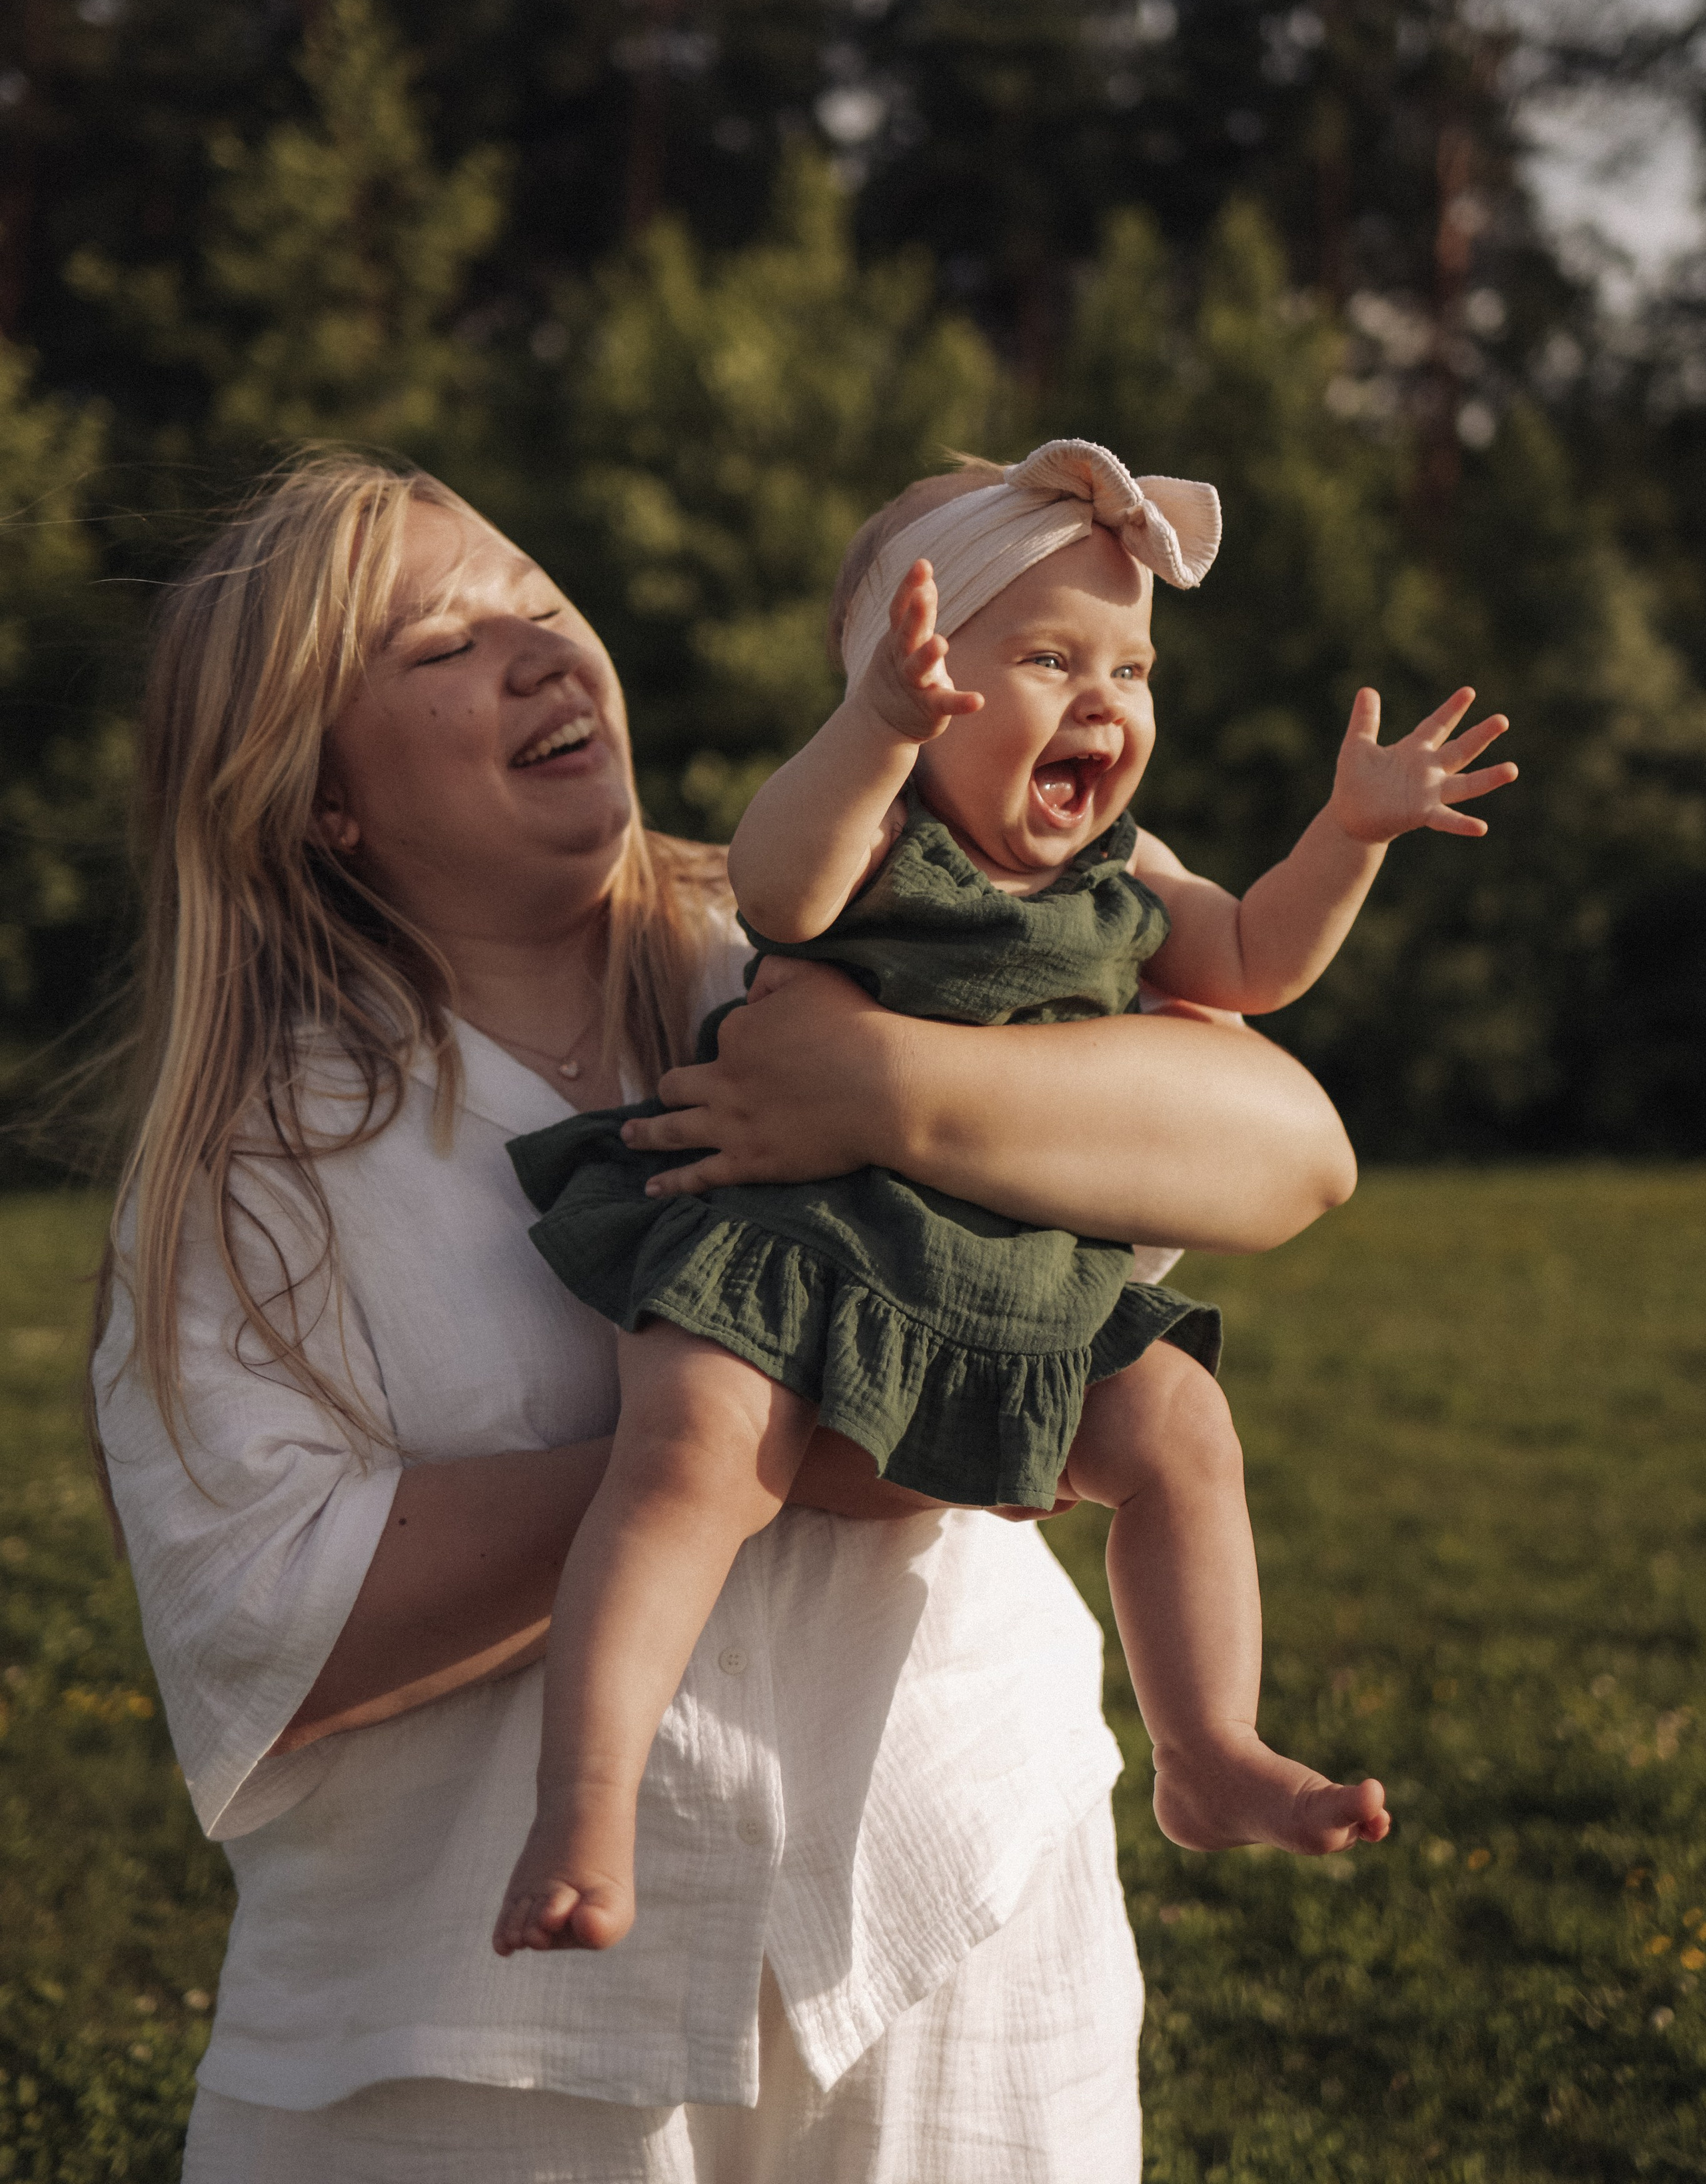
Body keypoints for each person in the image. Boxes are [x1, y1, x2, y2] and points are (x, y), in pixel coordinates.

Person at [93, 452, 1358, 2182]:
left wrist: (890, 1092)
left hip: (952, 1928)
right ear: (317, 790)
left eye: (537, 606)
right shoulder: (258, 1167)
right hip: (480, 2043)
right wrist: (787, 1439)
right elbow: (270, 1626)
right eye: (440, 647)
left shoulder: (817, 936)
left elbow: (1292, 1150)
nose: (536, 655)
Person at [496, 439, 1517, 1956]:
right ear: (912, 688)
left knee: (1180, 1426)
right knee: (692, 1447)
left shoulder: (1129, 874)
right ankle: (584, 1802)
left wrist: (1344, 837)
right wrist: (870, 736)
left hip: (1013, 1273)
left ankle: (1204, 1751)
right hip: (798, 1246)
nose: (1104, 699)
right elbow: (778, 888)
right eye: (1047, 656)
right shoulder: (869, 834)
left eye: (1132, 666)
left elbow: (1252, 965)